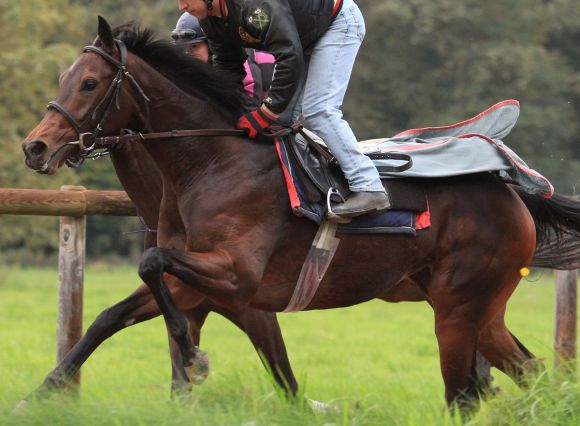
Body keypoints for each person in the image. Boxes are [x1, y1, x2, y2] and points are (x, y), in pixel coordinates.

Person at [177, 0, 392, 220]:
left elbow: (288, 56)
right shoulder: (210, 22)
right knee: (280, 122)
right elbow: (229, 66)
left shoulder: (253, 5)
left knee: (319, 110)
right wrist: (237, 110)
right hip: (302, 38)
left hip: (336, 24)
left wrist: (264, 112)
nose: (181, 6)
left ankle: (369, 186)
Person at [172, 12, 275, 105]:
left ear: (211, 46)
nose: (189, 54)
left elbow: (250, 88)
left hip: (285, 103)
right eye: (186, 48)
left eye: (194, 46)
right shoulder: (206, 66)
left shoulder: (234, 56)